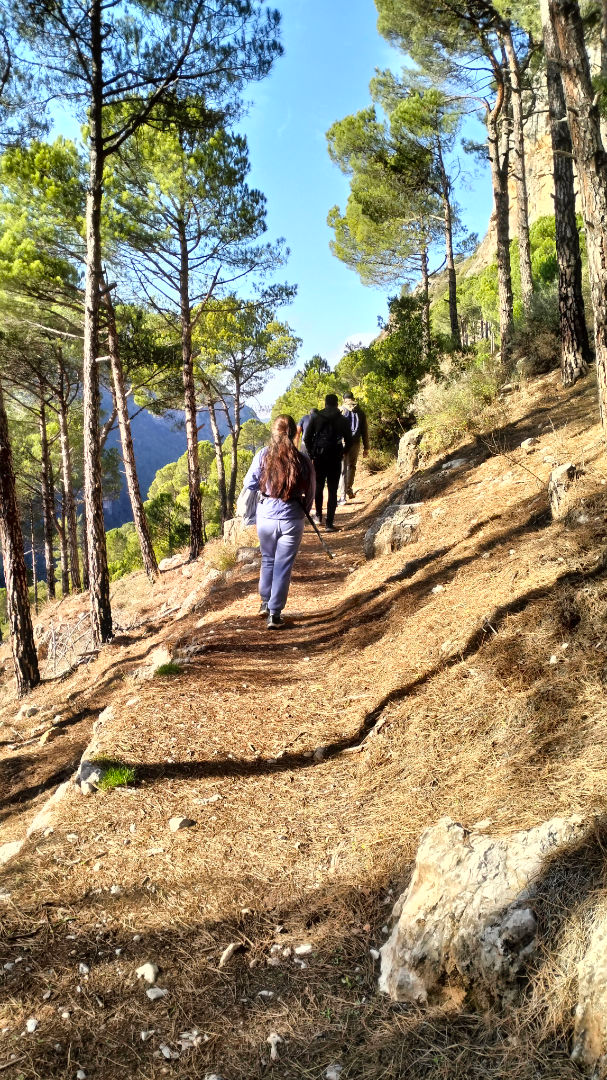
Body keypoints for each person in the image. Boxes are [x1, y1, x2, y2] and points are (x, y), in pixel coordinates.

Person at [241, 414, 315, 630]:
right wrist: (302, 511)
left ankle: (265, 602)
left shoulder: (263, 455)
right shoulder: (303, 460)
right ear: (294, 434)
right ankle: (274, 614)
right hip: (292, 518)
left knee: (268, 559)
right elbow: (311, 491)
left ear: (273, 433)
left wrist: (267, 489)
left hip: (266, 516)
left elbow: (249, 483)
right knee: (283, 566)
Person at [304, 393, 352, 531]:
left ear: (325, 404)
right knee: (332, 489)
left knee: (319, 487)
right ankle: (329, 523)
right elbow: (349, 440)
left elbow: (306, 438)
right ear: (337, 404)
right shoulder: (343, 420)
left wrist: (312, 454)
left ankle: (318, 516)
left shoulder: (316, 417)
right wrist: (343, 453)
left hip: (319, 456)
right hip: (335, 456)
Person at [340, 391, 370, 501]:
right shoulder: (360, 411)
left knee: (342, 468)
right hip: (355, 442)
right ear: (353, 398)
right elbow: (364, 431)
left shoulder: (340, 410)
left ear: (344, 399)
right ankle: (348, 488)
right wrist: (366, 447)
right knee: (351, 466)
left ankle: (342, 494)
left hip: (343, 442)